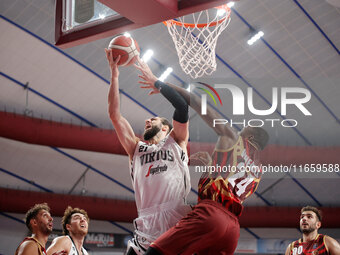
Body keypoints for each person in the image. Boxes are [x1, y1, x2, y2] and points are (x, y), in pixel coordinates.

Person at [139, 80, 269, 254]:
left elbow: (199, 104)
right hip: (232, 230)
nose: (239, 132)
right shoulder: (258, 170)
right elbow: (231, 182)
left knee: (155, 252)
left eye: (243, 131)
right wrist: (211, 164)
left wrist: (160, 84)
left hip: (211, 214)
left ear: (250, 137)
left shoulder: (235, 139)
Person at [105, 51, 191, 255]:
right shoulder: (136, 149)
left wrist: (157, 83)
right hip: (145, 227)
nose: (147, 121)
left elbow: (181, 106)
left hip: (176, 221)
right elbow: (114, 115)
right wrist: (114, 75)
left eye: (153, 119)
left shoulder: (176, 142)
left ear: (165, 128)